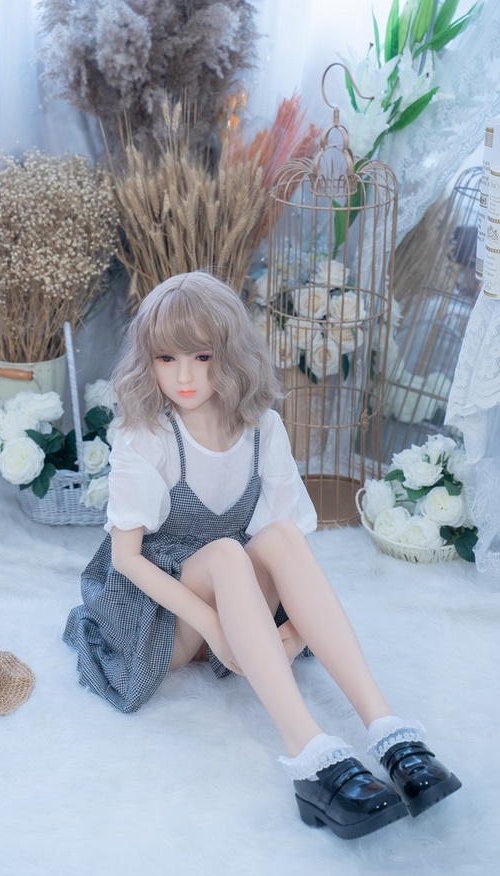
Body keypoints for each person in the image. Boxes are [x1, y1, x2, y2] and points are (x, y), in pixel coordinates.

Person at [64, 271, 461, 840]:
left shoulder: (262, 427)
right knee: (229, 552)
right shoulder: (147, 433)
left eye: (201, 357)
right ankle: (311, 755)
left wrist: (287, 633)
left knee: (280, 538)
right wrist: (215, 629)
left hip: (238, 606)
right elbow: (127, 560)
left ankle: (389, 731)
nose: (183, 376)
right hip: (158, 616)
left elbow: (286, 547)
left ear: (229, 354)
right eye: (166, 358)